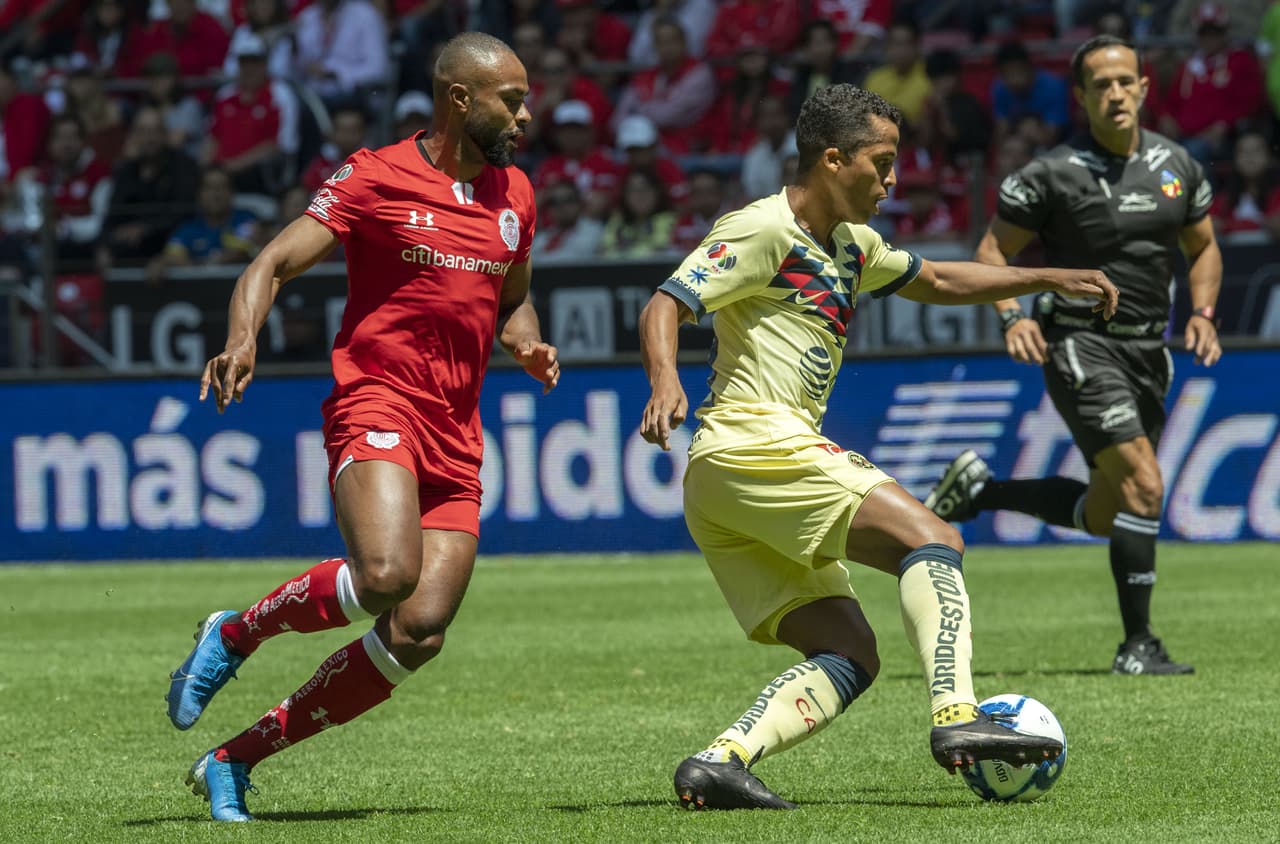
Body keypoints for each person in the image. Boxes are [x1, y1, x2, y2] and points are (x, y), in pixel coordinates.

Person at [638, 83, 1115, 810]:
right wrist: (663, 378)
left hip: (727, 480)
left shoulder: (852, 247)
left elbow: (944, 277)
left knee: (851, 653)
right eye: (881, 163)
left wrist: (1045, 274)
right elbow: (668, 301)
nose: (892, 181)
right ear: (833, 159)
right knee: (934, 538)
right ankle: (957, 716)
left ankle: (721, 761)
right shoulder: (764, 228)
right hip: (754, 441)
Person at [166, 32, 559, 822]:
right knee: (384, 575)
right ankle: (238, 632)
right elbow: (271, 262)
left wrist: (527, 341)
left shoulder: (514, 193)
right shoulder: (376, 174)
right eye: (510, 100)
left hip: (458, 429)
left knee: (418, 630)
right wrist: (243, 339)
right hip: (377, 400)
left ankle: (232, 761)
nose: (524, 115)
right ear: (459, 99)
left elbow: (512, 294)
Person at [924, 35, 1223, 676]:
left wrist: (1202, 314)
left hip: (1152, 349)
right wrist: (1011, 317)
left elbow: (1203, 248)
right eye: (1101, 85)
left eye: (1125, 81)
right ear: (1082, 97)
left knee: (1109, 510)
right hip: (1080, 345)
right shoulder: (1050, 175)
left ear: (1144, 88)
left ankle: (983, 491)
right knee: (1146, 485)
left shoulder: (1178, 166)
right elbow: (991, 253)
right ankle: (1138, 646)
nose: (1115, 93)